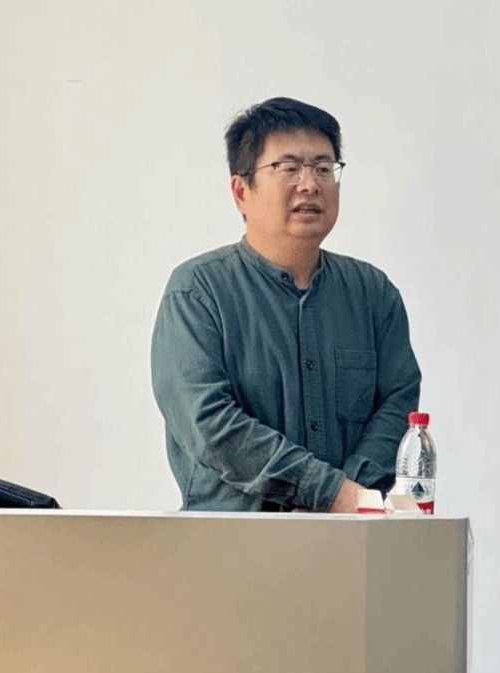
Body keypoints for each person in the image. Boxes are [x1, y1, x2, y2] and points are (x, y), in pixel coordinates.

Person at [151, 97, 422, 512]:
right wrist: (327, 493)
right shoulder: (197, 293)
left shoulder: (373, 294)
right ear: (241, 191)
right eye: (289, 168)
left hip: (351, 538)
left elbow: (398, 403)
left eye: (323, 167)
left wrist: (349, 496)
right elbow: (210, 426)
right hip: (232, 541)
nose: (310, 184)